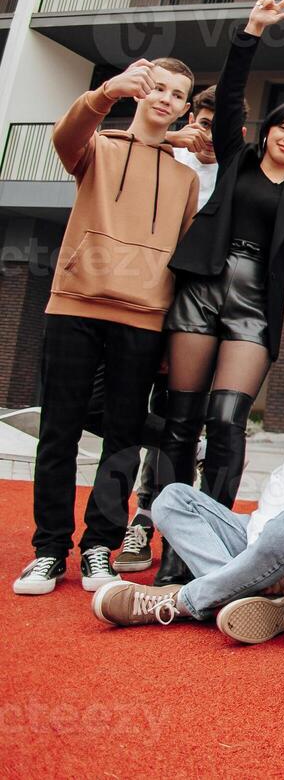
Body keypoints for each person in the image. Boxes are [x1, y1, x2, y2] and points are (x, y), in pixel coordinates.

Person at [154, 0, 284, 585]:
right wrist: (251, 31)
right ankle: (172, 553)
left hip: (254, 308)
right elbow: (229, 95)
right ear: (271, 127)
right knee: (181, 421)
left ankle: (215, 547)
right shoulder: (235, 158)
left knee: (226, 423)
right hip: (203, 289)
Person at [14, 46, 203, 596]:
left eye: (178, 96)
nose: (166, 100)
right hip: (75, 304)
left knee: (121, 439)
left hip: (144, 318)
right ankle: (49, 549)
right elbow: (64, 138)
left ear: (184, 108)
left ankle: (99, 544)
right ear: (141, 89)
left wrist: (170, 333)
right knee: (59, 432)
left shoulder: (184, 178)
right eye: (159, 87)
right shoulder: (97, 147)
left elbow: (182, 254)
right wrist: (106, 93)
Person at [90, 331, 284, 643]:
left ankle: (183, 601)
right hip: (282, 547)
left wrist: (274, 553)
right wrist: (263, 553)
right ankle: (243, 595)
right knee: (172, 499)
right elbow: (276, 497)